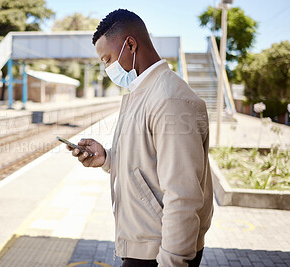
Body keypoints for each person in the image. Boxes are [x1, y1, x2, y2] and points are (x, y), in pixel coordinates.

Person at [67, 9, 213, 267]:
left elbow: (183, 195)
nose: (106, 68)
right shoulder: (142, 92)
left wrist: (172, 261)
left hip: (159, 252)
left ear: (131, 44)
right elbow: (149, 161)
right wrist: (107, 158)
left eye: (107, 59)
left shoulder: (170, 100)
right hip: (144, 245)